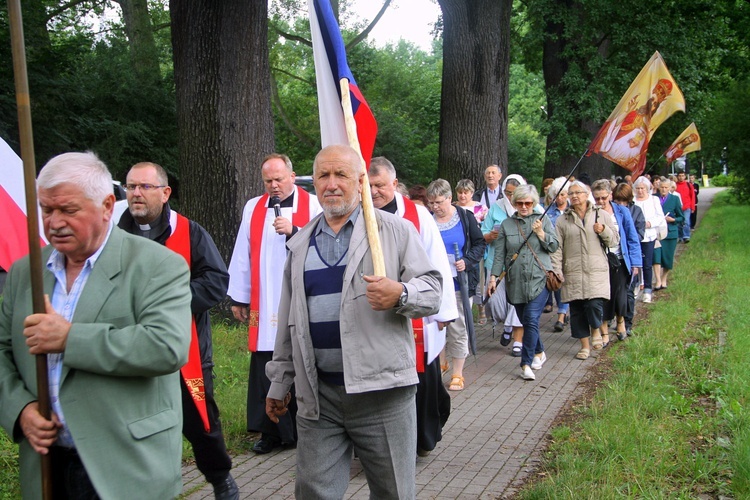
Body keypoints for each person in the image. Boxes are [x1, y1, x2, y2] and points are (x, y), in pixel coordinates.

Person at [0, 152, 192, 499]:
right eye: (46, 209)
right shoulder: (23, 273)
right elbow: (1, 351)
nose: (54, 222)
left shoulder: (158, 265)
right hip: (46, 463)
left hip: (125, 466)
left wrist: (69, 339)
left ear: (106, 206)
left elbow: (166, 346)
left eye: (68, 210)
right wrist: (20, 410)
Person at [265, 144, 443, 499]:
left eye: (341, 175)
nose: (331, 184)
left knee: (393, 492)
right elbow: (290, 321)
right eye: (323, 176)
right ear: (312, 183)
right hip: (319, 397)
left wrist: (401, 294)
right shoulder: (299, 245)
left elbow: (434, 290)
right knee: (314, 493)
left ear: (360, 181)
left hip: (383, 396)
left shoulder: (393, 231)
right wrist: (280, 381)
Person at [118, 162, 238, 499]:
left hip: (187, 352)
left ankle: (220, 478)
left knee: (201, 422)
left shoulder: (189, 232)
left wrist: (168, 303)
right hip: (132, 349)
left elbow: (216, 281)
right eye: (130, 187)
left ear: (165, 192)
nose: (136, 194)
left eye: (144, 186)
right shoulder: (113, 235)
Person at [227, 153, 322, 454]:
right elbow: (243, 251)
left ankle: (303, 429)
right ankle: (270, 432)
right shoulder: (254, 207)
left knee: (302, 359)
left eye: (279, 179)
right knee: (264, 362)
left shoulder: (313, 205)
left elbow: (324, 244)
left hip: (301, 298)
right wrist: (239, 296)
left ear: (292, 177)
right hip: (264, 301)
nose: (274, 185)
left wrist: (294, 231)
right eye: (268, 180)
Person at [368, 157, 457, 456]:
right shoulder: (358, 215)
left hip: (415, 311)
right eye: (367, 186)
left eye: (379, 185)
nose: (374, 192)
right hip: (373, 313)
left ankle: (420, 440)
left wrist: (442, 311)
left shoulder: (418, 215)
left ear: (394, 184)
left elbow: (437, 263)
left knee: (421, 381)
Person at [488, 185, 558, 381]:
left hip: (539, 279)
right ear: (514, 202)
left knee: (530, 319)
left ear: (534, 203)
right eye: (520, 203)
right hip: (515, 281)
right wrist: (493, 278)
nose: (524, 206)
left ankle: (525, 364)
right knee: (526, 320)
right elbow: (500, 254)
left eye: (528, 203)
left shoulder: (542, 220)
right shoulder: (507, 225)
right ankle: (540, 351)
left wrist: (541, 234)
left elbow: (554, 245)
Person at [426, 179, 486, 391]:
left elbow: (479, 244)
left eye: (439, 202)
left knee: (458, 326)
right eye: (431, 203)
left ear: (449, 198)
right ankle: (440, 362)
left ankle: (458, 373)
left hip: (459, 282)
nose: (434, 207)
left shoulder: (464, 217)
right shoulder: (428, 220)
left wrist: (467, 261)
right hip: (435, 283)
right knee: (436, 323)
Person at [551, 181, 619, 360]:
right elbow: (557, 248)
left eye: (578, 193)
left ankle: (596, 330)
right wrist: (556, 269)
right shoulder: (562, 220)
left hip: (596, 270)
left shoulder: (601, 215)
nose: (574, 196)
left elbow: (614, 241)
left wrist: (603, 230)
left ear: (586, 194)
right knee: (577, 310)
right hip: (572, 270)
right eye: (571, 193)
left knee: (594, 305)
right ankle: (584, 346)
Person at [591, 180, 642, 344]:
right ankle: (604, 331)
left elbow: (632, 238)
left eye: (603, 198)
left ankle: (620, 320)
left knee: (620, 296)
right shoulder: (591, 213)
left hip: (620, 259)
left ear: (610, 195)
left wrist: (635, 264)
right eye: (597, 198)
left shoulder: (621, 211)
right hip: (599, 261)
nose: (600, 202)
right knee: (603, 296)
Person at [481, 174, 527, 356]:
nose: (510, 197)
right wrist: (489, 235)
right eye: (507, 193)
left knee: (519, 302)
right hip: (497, 263)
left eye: (514, 193)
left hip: (521, 264)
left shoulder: (531, 206)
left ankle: (518, 341)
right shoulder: (496, 207)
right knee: (495, 303)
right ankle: (507, 324)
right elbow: (483, 232)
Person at [612, 183, 646, 336]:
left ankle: (628, 322)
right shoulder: (612, 210)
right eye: (618, 200)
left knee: (629, 292)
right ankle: (617, 319)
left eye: (623, 201)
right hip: (616, 256)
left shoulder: (636, 211)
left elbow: (638, 234)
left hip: (630, 256)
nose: (620, 204)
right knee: (617, 292)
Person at [633, 176, 665, 303]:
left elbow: (660, 216)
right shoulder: (633, 201)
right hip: (635, 236)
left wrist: (650, 223)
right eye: (638, 188)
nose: (640, 191)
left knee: (647, 263)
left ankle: (647, 289)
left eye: (642, 188)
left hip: (648, 235)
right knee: (635, 263)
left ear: (647, 189)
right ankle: (635, 285)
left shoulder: (654, 200)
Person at [544, 177, 571, 331]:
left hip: (570, 251)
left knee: (567, 283)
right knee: (559, 282)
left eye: (563, 194)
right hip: (554, 252)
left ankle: (561, 315)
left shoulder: (572, 211)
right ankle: (562, 311)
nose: (560, 198)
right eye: (557, 195)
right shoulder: (548, 212)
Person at [653, 178, 684, 290]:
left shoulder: (675, 199)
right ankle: (657, 280)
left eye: (666, 187)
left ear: (670, 188)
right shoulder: (654, 198)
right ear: (658, 187)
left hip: (670, 233)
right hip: (656, 233)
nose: (664, 189)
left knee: (668, 257)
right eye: (662, 187)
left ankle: (664, 278)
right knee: (656, 256)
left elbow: (681, 217)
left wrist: (673, 220)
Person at [674, 170, 696, 243]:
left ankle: (686, 236)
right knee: (679, 223)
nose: (681, 177)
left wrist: (693, 207)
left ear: (685, 176)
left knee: (686, 221)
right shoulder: (675, 185)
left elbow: (692, 196)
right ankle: (680, 236)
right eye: (679, 176)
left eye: (682, 176)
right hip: (678, 207)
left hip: (687, 206)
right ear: (677, 177)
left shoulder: (689, 185)